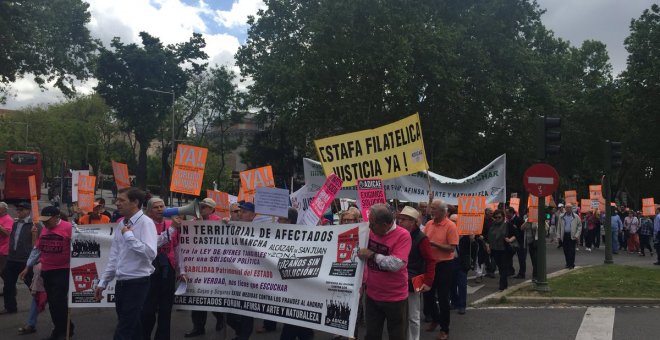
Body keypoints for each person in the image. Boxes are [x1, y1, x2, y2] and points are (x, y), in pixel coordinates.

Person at [94, 187, 158, 340]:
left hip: (138, 283)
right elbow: (115, 256)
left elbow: (150, 253)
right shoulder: (122, 223)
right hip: (121, 283)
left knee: (124, 329)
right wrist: (103, 281)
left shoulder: (146, 223)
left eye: (122, 200)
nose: (117, 203)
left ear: (135, 202)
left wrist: (129, 236)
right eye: (117, 200)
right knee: (133, 327)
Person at [357, 203, 411, 340]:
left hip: (395, 298)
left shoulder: (403, 236)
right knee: (372, 334)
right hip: (372, 295)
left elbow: (396, 264)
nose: (369, 227)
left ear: (386, 224)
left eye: (373, 224)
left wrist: (372, 255)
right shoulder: (370, 232)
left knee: (397, 335)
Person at [20, 206, 74, 340]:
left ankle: (63, 332)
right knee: (53, 303)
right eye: (43, 220)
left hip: (62, 271)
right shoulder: (45, 229)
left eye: (47, 220)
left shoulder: (69, 228)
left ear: (57, 218)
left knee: (57, 302)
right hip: (46, 271)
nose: (44, 223)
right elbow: (37, 249)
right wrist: (27, 266)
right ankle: (62, 328)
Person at [142, 197, 183, 340]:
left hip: (168, 271)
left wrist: (181, 270)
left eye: (162, 206)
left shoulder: (171, 224)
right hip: (150, 271)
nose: (160, 209)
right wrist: (172, 228)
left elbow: (177, 248)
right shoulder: (146, 225)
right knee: (148, 309)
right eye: (156, 207)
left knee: (166, 310)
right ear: (148, 211)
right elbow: (154, 243)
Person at [185, 197, 224, 338]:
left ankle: (220, 317)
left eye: (204, 206)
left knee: (210, 297)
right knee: (197, 298)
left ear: (211, 209)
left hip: (213, 267)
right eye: (200, 206)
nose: (201, 209)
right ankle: (198, 327)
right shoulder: (193, 221)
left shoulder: (218, 221)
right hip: (196, 266)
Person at [396, 206, 435, 340]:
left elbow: (430, 260)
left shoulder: (421, 238)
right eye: (399, 218)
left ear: (413, 221)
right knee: (399, 314)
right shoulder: (396, 234)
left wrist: (428, 282)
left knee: (413, 314)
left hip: (414, 279)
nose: (400, 221)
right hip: (398, 278)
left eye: (404, 219)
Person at [424, 198, 458, 340]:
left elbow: (452, 248)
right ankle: (435, 319)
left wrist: (434, 244)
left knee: (443, 298)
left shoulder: (450, 226)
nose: (431, 210)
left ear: (443, 211)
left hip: (445, 265)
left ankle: (445, 329)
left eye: (434, 208)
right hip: (429, 264)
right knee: (427, 295)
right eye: (431, 208)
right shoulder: (428, 223)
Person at [278, 207, 315, 340]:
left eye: (281, 219)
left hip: (298, 287)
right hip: (286, 286)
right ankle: (306, 334)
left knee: (293, 321)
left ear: (289, 221)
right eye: (278, 219)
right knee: (296, 321)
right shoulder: (275, 234)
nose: (278, 222)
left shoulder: (302, 236)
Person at [226, 201, 257, 340]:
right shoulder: (232, 226)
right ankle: (240, 332)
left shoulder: (259, 231)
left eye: (243, 212)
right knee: (228, 312)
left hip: (250, 279)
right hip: (233, 277)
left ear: (252, 216)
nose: (240, 214)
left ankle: (243, 336)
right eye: (239, 211)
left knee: (247, 311)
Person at [1, 201, 38, 315]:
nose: (18, 212)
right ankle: (10, 307)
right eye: (17, 210)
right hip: (12, 258)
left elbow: (37, 243)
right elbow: (9, 236)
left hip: (25, 260)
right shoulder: (15, 223)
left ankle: (40, 302)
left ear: (28, 211)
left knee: (32, 285)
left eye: (21, 210)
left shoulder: (34, 224)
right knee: (8, 284)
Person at [485, 209, 516, 291]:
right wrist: (488, 246)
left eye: (499, 217)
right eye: (495, 217)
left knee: (503, 268)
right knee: (500, 267)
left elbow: (516, 234)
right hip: (495, 250)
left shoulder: (507, 225)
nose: (497, 219)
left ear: (503, 217)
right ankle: (503, 285)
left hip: (505, 249)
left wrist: (510, 240)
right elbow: (488, 238)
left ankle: (503, 286)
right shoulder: (492, 226)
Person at [559, 203, 581, 269]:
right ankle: (568, 263)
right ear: (565, 209)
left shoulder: (576, 216)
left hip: (572, 235)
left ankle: (571, 264)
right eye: (567, 208)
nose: (568, 209)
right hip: (564, 235)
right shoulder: (561, 216)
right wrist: (558, 236)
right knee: (565, 250)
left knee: (572, 251)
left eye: (569, 208)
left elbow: (579, 226)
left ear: (571, 209)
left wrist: (577, 235)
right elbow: (559, 227)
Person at [505, 207, 525, 278]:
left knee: (521, 258)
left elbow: (522, 231)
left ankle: (522, 273)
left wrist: (515, 237)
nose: (506, 214)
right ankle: (510, 270)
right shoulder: (507, 221)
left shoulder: (519, 220)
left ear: (511, 212)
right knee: (508, 257)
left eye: (507, 213)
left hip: (519, 242)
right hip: (511, 242)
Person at [0, 201, 14, 287]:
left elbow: (6, 234)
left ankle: (10, 286)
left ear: (4, 210)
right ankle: (10, 286)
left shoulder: (8, 219)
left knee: (3, 271)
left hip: (3, 250)